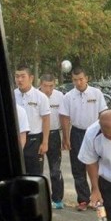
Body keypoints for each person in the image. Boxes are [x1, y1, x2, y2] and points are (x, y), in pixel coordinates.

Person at [59, 67, 108, 211]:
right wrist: (66, 138)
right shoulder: (68, 96)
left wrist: (105, 134)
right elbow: (65, 117)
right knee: (78, 167)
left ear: (87, 78)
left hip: (95, 133)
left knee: (97, 166)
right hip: (77, 133)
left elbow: (103, 113)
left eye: (81, 79)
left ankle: (97, 198)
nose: (78, 82)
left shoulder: (96, 93)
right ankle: (83, 199)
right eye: (75, 80)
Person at [14, 65, 50, 177]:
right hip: (17, 138)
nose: (19, 80)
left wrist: (45, 142)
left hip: (34, 140)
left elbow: (46, 120)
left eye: (23, 76)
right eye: (17, 76)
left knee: (35, 175)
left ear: (31, 78)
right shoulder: (12, 95)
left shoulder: (40, 97)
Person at [39, 73, 65, 209]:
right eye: (45, 86)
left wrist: (66, 137)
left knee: (55, 169)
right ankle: (38, 199)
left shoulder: (60, 96)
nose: (48, 89)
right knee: (36, 170)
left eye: (51, 86)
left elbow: (64, 117)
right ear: (40, 84)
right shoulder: (35, 96)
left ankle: (57, 198)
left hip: (54, 134)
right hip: (37, 135)